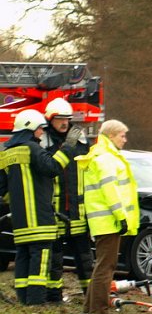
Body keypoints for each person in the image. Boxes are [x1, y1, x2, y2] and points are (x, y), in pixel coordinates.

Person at [0, 109, 79, 305]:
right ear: (30, 129)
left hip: (20, 220)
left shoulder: (6, 153)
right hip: (39, 218)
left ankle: (23, 298)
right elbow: (52, 168)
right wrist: (68, 148)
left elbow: (2, 189)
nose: (42, 133)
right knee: (41, 257)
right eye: (40, 129)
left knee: (23, 257)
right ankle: (36, 301)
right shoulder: (32, 149)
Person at [77, 120, 139, 314]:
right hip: (109, 221)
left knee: (103, 265)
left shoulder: (102, 156)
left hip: (103, 221)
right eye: (122, 135)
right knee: (106, 266)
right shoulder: (106, 158)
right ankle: (98, 309)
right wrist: (121, 217)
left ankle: (90, 307)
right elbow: (110, 191)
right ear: (111, 136)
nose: (125, 140)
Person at [41, 98, 94, 300]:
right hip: (54, 210)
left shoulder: (79, 138)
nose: (64, 123)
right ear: (50, 119)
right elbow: (47, 167)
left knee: (84, 257)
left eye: (67, 119)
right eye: (60, 119)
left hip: (78, 210)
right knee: (54, 258)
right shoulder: (43, 140)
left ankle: (90, 295)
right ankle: (54, 296)